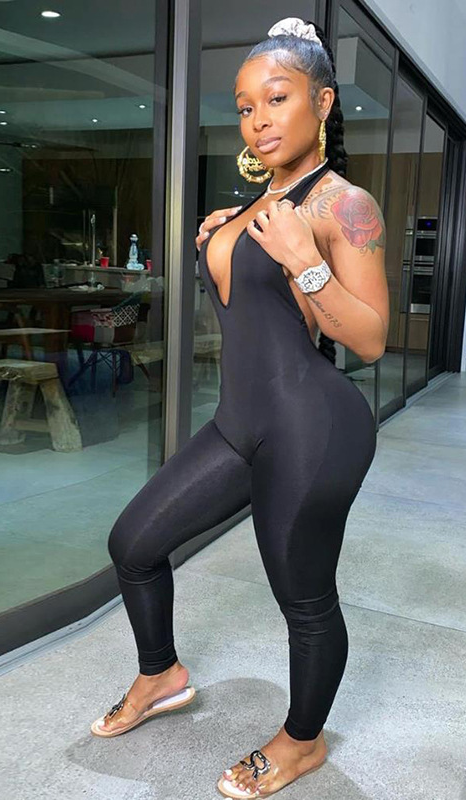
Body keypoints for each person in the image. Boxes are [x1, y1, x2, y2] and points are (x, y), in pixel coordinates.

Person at [91, 15, 389, 798]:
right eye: (246, 106)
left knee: (304, 598)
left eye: (277, 98)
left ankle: (302, 742)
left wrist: (305, 263)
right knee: (133, 543)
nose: (259, 119)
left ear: (323, 102)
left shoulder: (344, 206)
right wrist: (224, 235)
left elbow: (371, 340)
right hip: (239, 424)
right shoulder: (248, 209)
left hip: (314, 429)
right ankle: (161, 674)